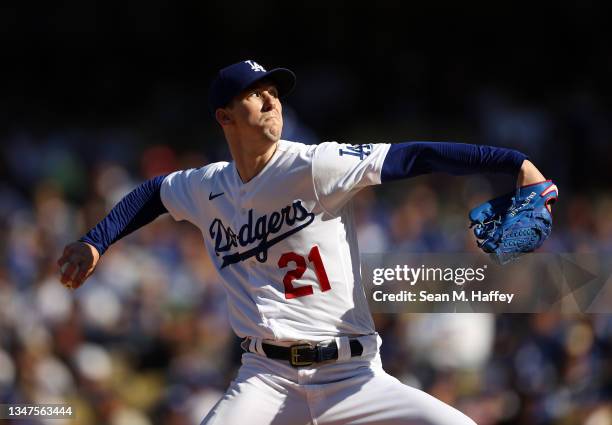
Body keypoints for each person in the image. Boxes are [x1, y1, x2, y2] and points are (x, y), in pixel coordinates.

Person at [58, 59, 548, 424]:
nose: (272, 101)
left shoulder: (315, 164)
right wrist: (97, 241)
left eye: (274, 92)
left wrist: (515, 164)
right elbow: (152, 193)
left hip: (353, 377)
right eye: (256, 94)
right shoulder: (207, 186)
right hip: (265, 378)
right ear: (225, 117)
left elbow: (414, 156)